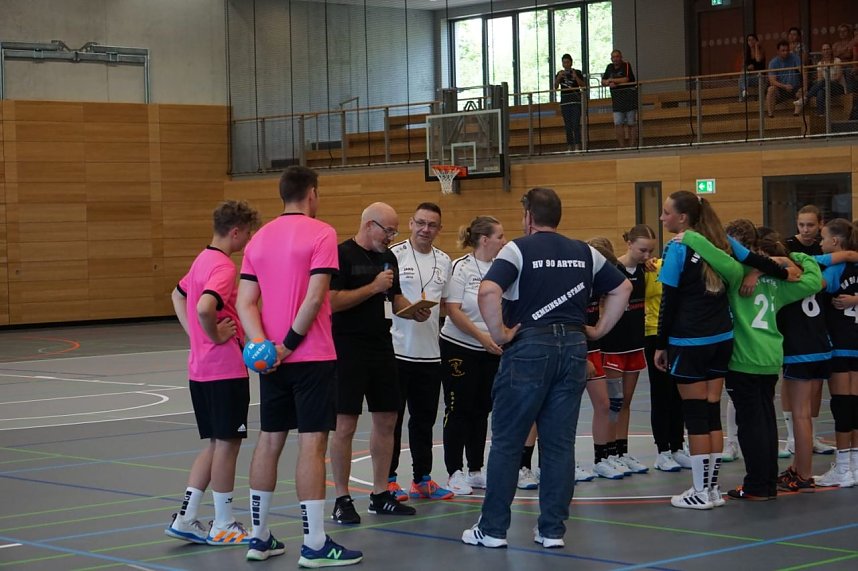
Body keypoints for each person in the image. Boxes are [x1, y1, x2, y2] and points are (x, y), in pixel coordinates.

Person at [461, 187, 630, 549]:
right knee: (559, 445)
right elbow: (623, 287)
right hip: (573, 348)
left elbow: (489, 291)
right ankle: (552, 531)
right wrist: (598, 329)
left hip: (529, 347)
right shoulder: (584, 251)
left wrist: (501, 334)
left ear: (528, 217)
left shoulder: (518, 249)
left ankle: (492, 529)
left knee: (507, 441)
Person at [236, 166, 363, 566]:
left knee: (270, 439)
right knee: (312, 443)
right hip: (311, 356)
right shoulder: (321, 232)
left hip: (271, 363)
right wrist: (287, 346)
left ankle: (258, 538)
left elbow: (244, 302)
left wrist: (262, 348)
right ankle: (314, 544)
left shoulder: (258, 239)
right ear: (311, 194)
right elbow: (314, 299)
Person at [677, 220, 821, 502]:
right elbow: (815, 280)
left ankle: (756, 485)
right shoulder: (778, 279)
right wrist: (794, 256)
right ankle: (766, 483)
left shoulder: (734, 274)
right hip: (770, 356)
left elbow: (716, 254)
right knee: (766, 419)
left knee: (751, 423)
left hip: (743, 358)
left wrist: (691, 237)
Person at [165, 200, 259, 546]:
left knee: (216, 443)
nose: (248, 240)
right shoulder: (222, 266)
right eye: (247, 233)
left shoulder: (200, 259)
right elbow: (205, 305)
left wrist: (195, 336)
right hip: (224, 370)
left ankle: (187, 518)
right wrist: (210, 333)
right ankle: (223, 522)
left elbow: (177, 295)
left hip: (200, 370)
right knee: (228, 444)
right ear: (236, 232)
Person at [328, 202, 422, 524]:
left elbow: (393, 299)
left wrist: (412, 309)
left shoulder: (388, 257)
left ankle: (380, 494)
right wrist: (373, 288)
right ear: (369, 224)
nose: (391, 237)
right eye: (388, 230)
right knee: (345, 425)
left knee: (387, 419)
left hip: (382, 347)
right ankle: (342, 498)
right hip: (347, 348)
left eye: (395, 231)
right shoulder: (341, 255)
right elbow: (332, 302)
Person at [654, 191, 733, 510]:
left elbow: (668, 301)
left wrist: (661, 343)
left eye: (665, 212)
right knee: (711, 411)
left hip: (690, 341)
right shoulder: (718, 245)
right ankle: (712, 490)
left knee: (697, 415)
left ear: (682, 218)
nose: (662, 218)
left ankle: (701, 491)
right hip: (721, 338)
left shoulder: (678, 248)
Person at [388, 203, 453, 500]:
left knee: (424, 419)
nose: (426, 230)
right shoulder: (394, 255)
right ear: (411, 223)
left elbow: (447, 304)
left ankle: (422, 478)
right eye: (421, 223)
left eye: (432, 225)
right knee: (393, 419)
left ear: (439, 229)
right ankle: (388, 479)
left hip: (430, 354)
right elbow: (385, 297)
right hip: (397, 350)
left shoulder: (444, 261)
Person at [440, 216, 505, 495]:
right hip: (459, 346)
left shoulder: (503, 269)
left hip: (491, 350)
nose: (504, 241)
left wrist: (500, 337)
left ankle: (476, 469)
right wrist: (482, 337)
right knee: (459, 409)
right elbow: (452, 310)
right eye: (500, 236)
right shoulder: (461, 267)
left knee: (482, 409)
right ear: (484, 239)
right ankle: (454, 471)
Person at [598, 225, 657, 476]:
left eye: (650, 250)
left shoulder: (647, 269)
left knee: (627, 403)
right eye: (642, 249)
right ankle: (609, 452)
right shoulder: (614, 269)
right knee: (614, 401)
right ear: (629, 243)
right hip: (613, 346)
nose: (646, 255)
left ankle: (622, 452)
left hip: (635, 344)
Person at [779, 205, 835, 457]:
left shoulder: (822, 247)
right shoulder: (788, 245)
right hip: (792, 319)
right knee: (791, 380)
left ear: (820, 224)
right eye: (801, 224)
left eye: (810, 225)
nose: (805, 230)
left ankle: (810, 436)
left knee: (815, 383)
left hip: (819, 318)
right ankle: (792, 436)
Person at [814, 219, 858, 488]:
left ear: (835, 243)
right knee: (854, 405)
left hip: (841, 343)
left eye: (823, 238)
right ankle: (853, 466)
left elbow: (811, 282)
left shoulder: (836, 268)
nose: (820, 242)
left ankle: (843, 469)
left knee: (843, 406)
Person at [644, 252, 691, 472]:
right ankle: (662, 451)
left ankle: (677, 447)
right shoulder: (652, 269)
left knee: (678, 393)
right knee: (661, 393)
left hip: (679, 335)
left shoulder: (687, 270)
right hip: (654, 334)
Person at [794, 44, 844, 117]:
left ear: (831, 50)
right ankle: (820, 114)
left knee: (824, 81)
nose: (826, 51)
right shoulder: (820, 63)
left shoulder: (837, 61)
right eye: (824, 50)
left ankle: (805, 98)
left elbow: (838, 77)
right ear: (822, 52)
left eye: (827, 49)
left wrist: (827, 80)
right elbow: (820, 78)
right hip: (825, 88)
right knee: (820, 91)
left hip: (837, 87)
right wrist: (828, 79)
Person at [601, 49, 638, 148]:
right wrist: (608, 82)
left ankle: (632, 146)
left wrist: (613, 80)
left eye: (617, 56)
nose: (615, 59)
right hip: (617, 100)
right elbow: (603, 81)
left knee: (631, 123)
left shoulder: (626, 65)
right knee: (618, 123)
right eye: (613, 57)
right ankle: (622, 147)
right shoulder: (609, 67)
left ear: (621, 57)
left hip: (629, 98)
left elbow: (626, 79)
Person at [554, 53, 586, 151]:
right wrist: (559, 77)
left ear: (571, 63)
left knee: (576, 124)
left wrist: (575, 77)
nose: (566, 64)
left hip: (575, 102)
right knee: (568, 126)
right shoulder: (560, 73)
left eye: (567, 62)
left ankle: (577, 145)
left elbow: (583, 86)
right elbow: (555, 87)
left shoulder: (577, 72)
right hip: (565, 102)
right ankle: (569, 146)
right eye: (564, 62)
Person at [766, 40, 803, 118]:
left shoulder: (795, 57)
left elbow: (804, 72)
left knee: (803, 92)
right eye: (783, 51)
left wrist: (805, 87)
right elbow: (772, 81)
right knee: (770, 89)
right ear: (778, 51)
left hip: (795, 88)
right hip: (781, 89)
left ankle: (796, 114)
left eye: (787, 50)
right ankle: (770, 115)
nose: (785, 52)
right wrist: (784, 86)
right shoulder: (773, 63)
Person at [739, 33, 766, 101]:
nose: (751, 42)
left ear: (756, 40)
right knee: (741, 79)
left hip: (760, 77)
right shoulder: (746, 53)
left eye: (753, 40)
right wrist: (748, 68)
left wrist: (756, 47)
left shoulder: (761, 50)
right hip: (750, 77)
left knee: (743, 79)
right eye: (749, 40)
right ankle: (743, 94)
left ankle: (744, 93)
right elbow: (743, 67)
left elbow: (758, 59)